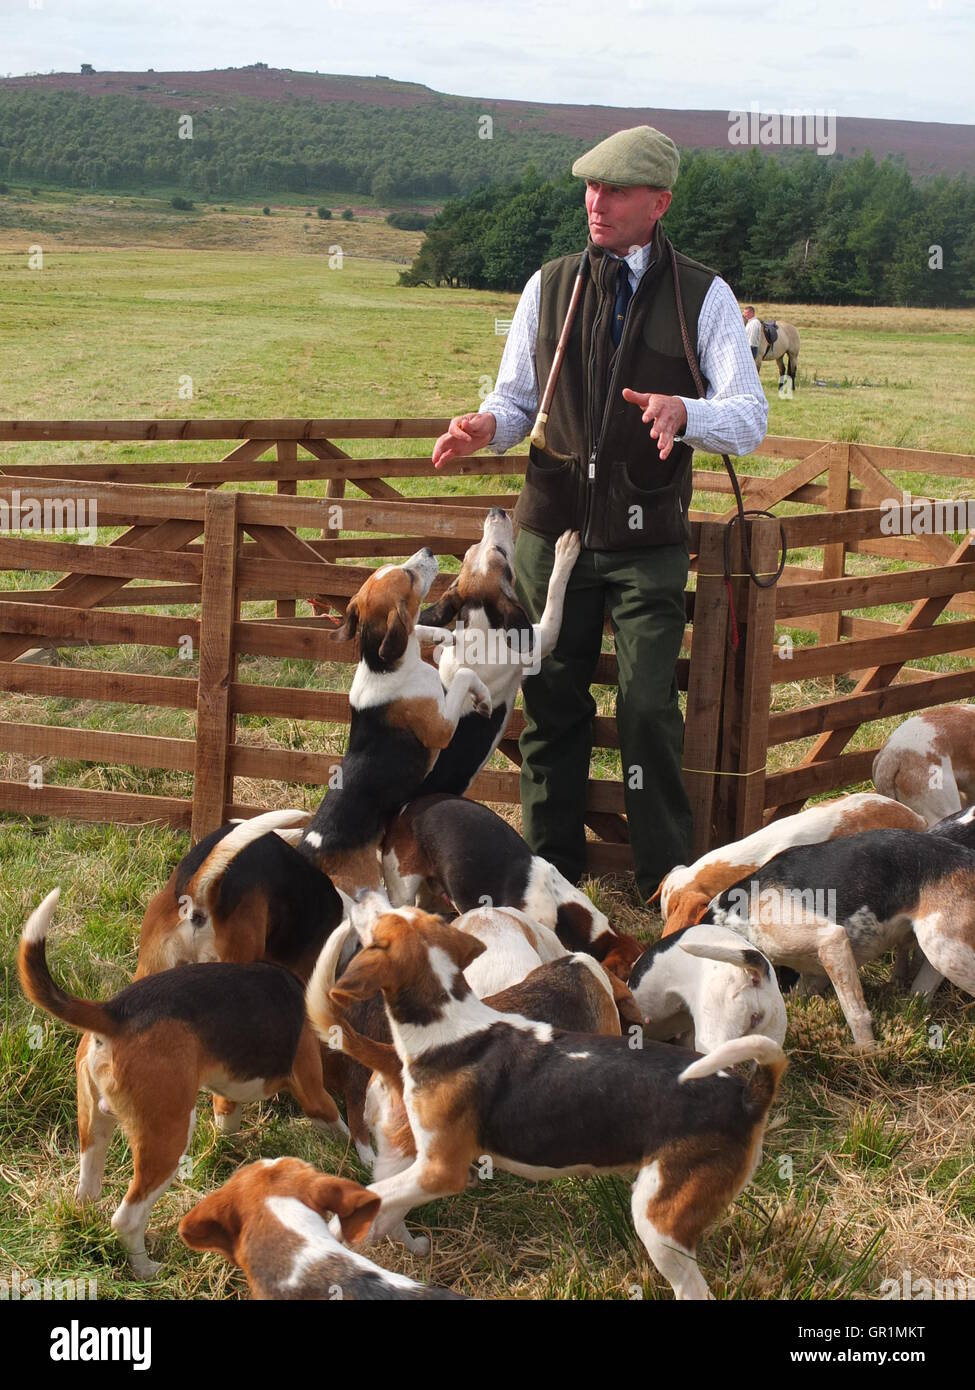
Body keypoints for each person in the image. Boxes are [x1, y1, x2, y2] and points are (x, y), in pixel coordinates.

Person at [431, 125, 767, 903]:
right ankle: (545, 879)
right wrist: (485, 428)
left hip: (647, 537)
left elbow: (747, 416)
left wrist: (684, 413)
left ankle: (666, 886)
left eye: (614, 191)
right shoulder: (547, 285)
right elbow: (517, 400)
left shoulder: (703, 294)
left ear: (658, 202)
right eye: (589, 187)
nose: (595, 202)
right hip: (549, 532)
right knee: (548, 704)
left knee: (648, 705)